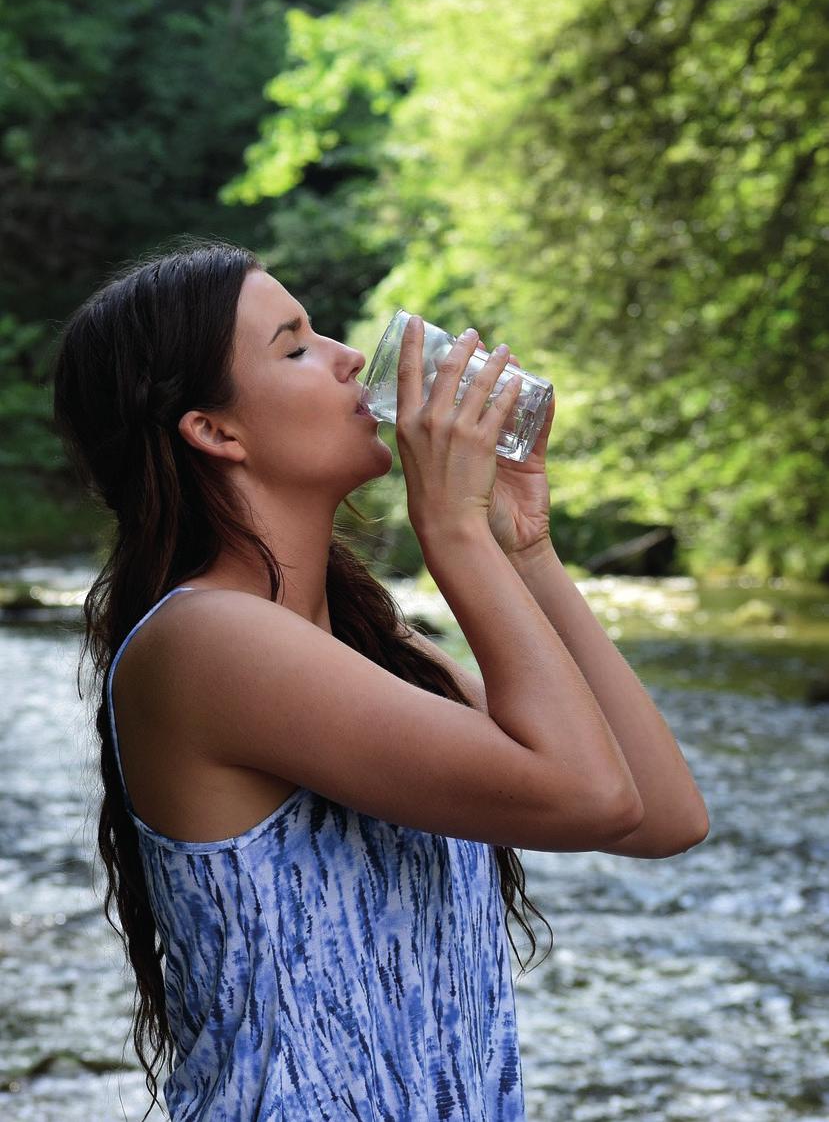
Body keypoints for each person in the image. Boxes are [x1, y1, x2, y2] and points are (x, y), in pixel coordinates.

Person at [52, 239, 709, 1122]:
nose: (350, 357)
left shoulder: (368, 641)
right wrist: (455, 534)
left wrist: (524, 547)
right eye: (295, 346)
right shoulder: (207, 641)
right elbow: (587, 794)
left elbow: (660, 813)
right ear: (216, 431)